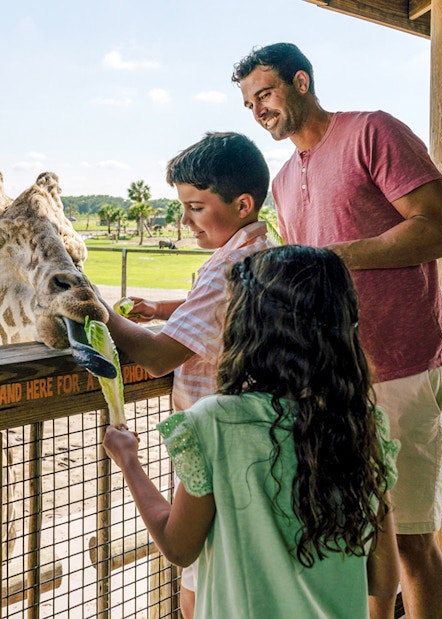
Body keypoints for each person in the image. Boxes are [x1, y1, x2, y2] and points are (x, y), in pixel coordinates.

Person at [232, 42, 442, 619]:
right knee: (358, 539)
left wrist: (332, 255)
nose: (258, 109)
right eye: (248, 102)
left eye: (265, 92)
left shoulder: (373, 132)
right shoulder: (283, 182)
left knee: (411, 539)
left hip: (403, 367)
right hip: (333, 380)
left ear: (302, 82)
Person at [103, 244, 401, 619]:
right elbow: (384, 577)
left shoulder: (215, 422)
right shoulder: (362, 422)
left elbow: (179, 547)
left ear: (248, 326)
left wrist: (128, 460)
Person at [101, 130, 273, 618]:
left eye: (196, 207)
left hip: (215, 445)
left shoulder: (226, 270)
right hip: (253, 444)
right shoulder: (265, 253)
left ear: (242, 204)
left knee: (196, 591)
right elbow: (214, 308)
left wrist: (98, 309)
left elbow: (157, 358)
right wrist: (161, 306)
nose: (185, 220)